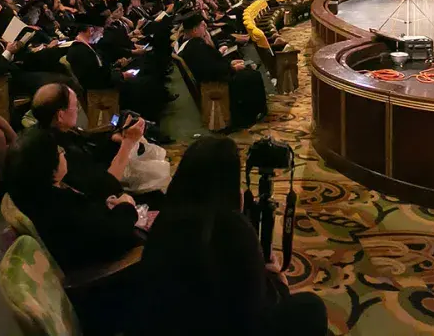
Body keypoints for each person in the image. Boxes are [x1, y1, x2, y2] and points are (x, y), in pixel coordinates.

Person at [131, 136, 328, 336]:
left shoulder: (165, 222)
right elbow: (255, 309)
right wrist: (278, 281)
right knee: (312, 307)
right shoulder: (231, 228)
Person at [4, 129, 142, 273]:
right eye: (59, 151)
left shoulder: (33, 192)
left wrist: (105, 203)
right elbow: (111, 239)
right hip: (104, 272)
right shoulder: (58, 208)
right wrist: (126, 207)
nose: (64, 154)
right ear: (49, 167)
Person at [177, 13, 267, 129]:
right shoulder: (196, 46)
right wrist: (232, 68)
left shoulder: (194, 44)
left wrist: (229, 64)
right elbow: (210, 69)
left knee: (247, 71)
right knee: (251, 75)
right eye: (202, 26)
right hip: (213, 83)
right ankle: (250, 116)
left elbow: (211, 62)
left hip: (213, 76)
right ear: (195, 30)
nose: (205, 29)